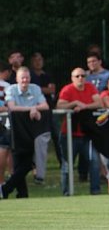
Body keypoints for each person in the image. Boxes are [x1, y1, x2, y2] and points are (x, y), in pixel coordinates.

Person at [1, 66, 50, 198]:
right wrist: (32, 109)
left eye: (27, 77)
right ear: (17, 79)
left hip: (31, 132)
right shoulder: (11, 89)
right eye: (22, 77)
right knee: (18, 165)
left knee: (28, 163)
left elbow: (45, 106)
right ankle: (21, 194)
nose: (25, 80)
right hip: (14, 130)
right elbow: (12, 107)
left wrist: (34, 108)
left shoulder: (35, 88)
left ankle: (6, 189)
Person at [56, 67, 104, 195]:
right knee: (67, 166)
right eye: (77, 76)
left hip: (87, 134)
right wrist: (74, 103)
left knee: (94, 162)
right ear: (72, 78)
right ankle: (66, 193)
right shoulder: (67, 90)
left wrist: (84, 106)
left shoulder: (90, 87)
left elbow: (99, 103)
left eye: (82, 76)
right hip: (69, 134)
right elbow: (60, 105)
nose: (80, 78)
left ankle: (96, 192)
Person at [29, 51, 58, 182]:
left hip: (49, 111)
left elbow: (52, 90)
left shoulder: (47, 75)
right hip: (34, 112)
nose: (38, 62)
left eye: (40, 59)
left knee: (57, 137)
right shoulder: (29, 75)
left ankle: (63, 163)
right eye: (35, 60)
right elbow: (32, 90)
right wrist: (42, 89)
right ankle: (34, 168)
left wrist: (38, 89)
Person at [0, 63, 11, 186]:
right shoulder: (7, 86)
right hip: (4, 122)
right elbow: (7, 105)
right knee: (5, 150)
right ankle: (3, 181)